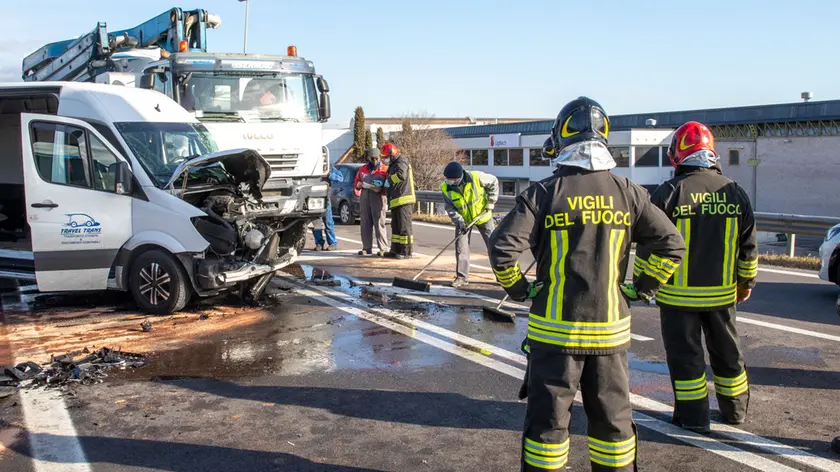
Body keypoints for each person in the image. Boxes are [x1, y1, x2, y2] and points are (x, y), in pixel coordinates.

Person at [488, 97, 685, 471]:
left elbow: (502, 248)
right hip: (610, 334)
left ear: (561, 138)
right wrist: (642, 287)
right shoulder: (629, 192)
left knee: (547, 429)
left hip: (554, 335)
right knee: (613, 427)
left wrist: (520, 289)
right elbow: (671, 244)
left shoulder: (543, 193)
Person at [632, 121, 758, 433]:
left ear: (677, 154)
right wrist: (745, 284)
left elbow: (649, 245)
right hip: (722, 297)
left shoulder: (669, 192)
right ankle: (735, 411)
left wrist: (642, 285)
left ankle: (693, 417)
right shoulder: (735, 192)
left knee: (686, 358)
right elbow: (748, 247)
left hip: (678, 300)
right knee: (728, 354)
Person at [441, 161, 499, 288]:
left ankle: (501, 276)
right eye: (448, 179)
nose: (449, 181)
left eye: (452, 179)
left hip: (484, 216)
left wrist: (491, 201)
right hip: (464, 221)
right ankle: (462, 277)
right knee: (461, 248)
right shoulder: (445, 187)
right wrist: (460, 221)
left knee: (493, 246)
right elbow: (450, 208)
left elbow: (494, 181)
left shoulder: (476, 177)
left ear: (458, 177)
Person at [382, 143, 415, 259]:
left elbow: (402, 175)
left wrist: (389, 179)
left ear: (391, 154)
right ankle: (395, 250)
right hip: (396, 200)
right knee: (395, 227)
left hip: (404, 199)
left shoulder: (402, 161)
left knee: (404, 227)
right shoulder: (393, 164)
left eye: (386, 157)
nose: (385, 159)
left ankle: (406, 252)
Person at [354, 148, 389, 256]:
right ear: (368, 158)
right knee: (365, 223)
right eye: (372, 158)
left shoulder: (385, 169)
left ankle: (383, 248)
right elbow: (356, 182)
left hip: (378, 197)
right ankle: (366, 247)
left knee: (379, 223)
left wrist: (381, 188)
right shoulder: (363, 169)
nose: (374, 161)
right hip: (365, 196)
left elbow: (388, 185)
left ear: (380, 158)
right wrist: (358, 184)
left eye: (376, 158)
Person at [313, 165, 341, 251]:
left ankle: (332, 243)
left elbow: (340, 178)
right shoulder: (310, 166)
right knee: (316, 223)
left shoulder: (328, 167)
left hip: (325, 199)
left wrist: (329, 174)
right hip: (313, 199)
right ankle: (319, 243)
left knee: (328, 222)